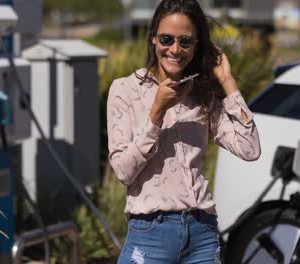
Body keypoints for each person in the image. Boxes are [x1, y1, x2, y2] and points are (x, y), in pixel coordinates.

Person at [107, 0, 261, 263]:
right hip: (150, 234)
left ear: (197, 45)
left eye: (185, 42)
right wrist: (157, 112)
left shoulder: (202, 94)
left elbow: (250, 148)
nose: (175, 49)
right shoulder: (125, 90)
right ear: (153, 38)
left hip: (202, 234)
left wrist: (227, 81)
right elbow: (123, 171)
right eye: (167, 39)